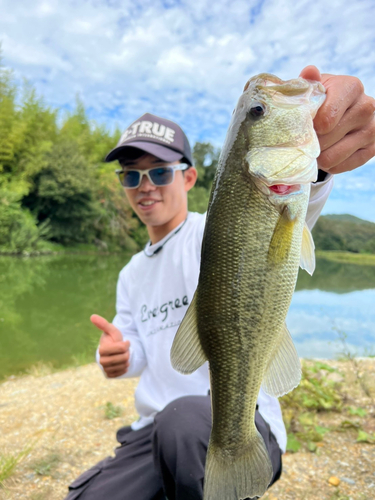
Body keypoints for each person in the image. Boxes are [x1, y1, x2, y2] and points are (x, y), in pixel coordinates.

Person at [65, 66, 375, 500]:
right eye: (131, 176)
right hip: (152, 433)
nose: (144, 186)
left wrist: (321, 166)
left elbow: (293, 202)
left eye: (159, 172)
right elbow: (139, 351)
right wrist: (119, 355)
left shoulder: (211, 230)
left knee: (186, 424)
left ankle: (233, 459)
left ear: (189, 178)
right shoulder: (130, 272)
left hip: (231, 420)